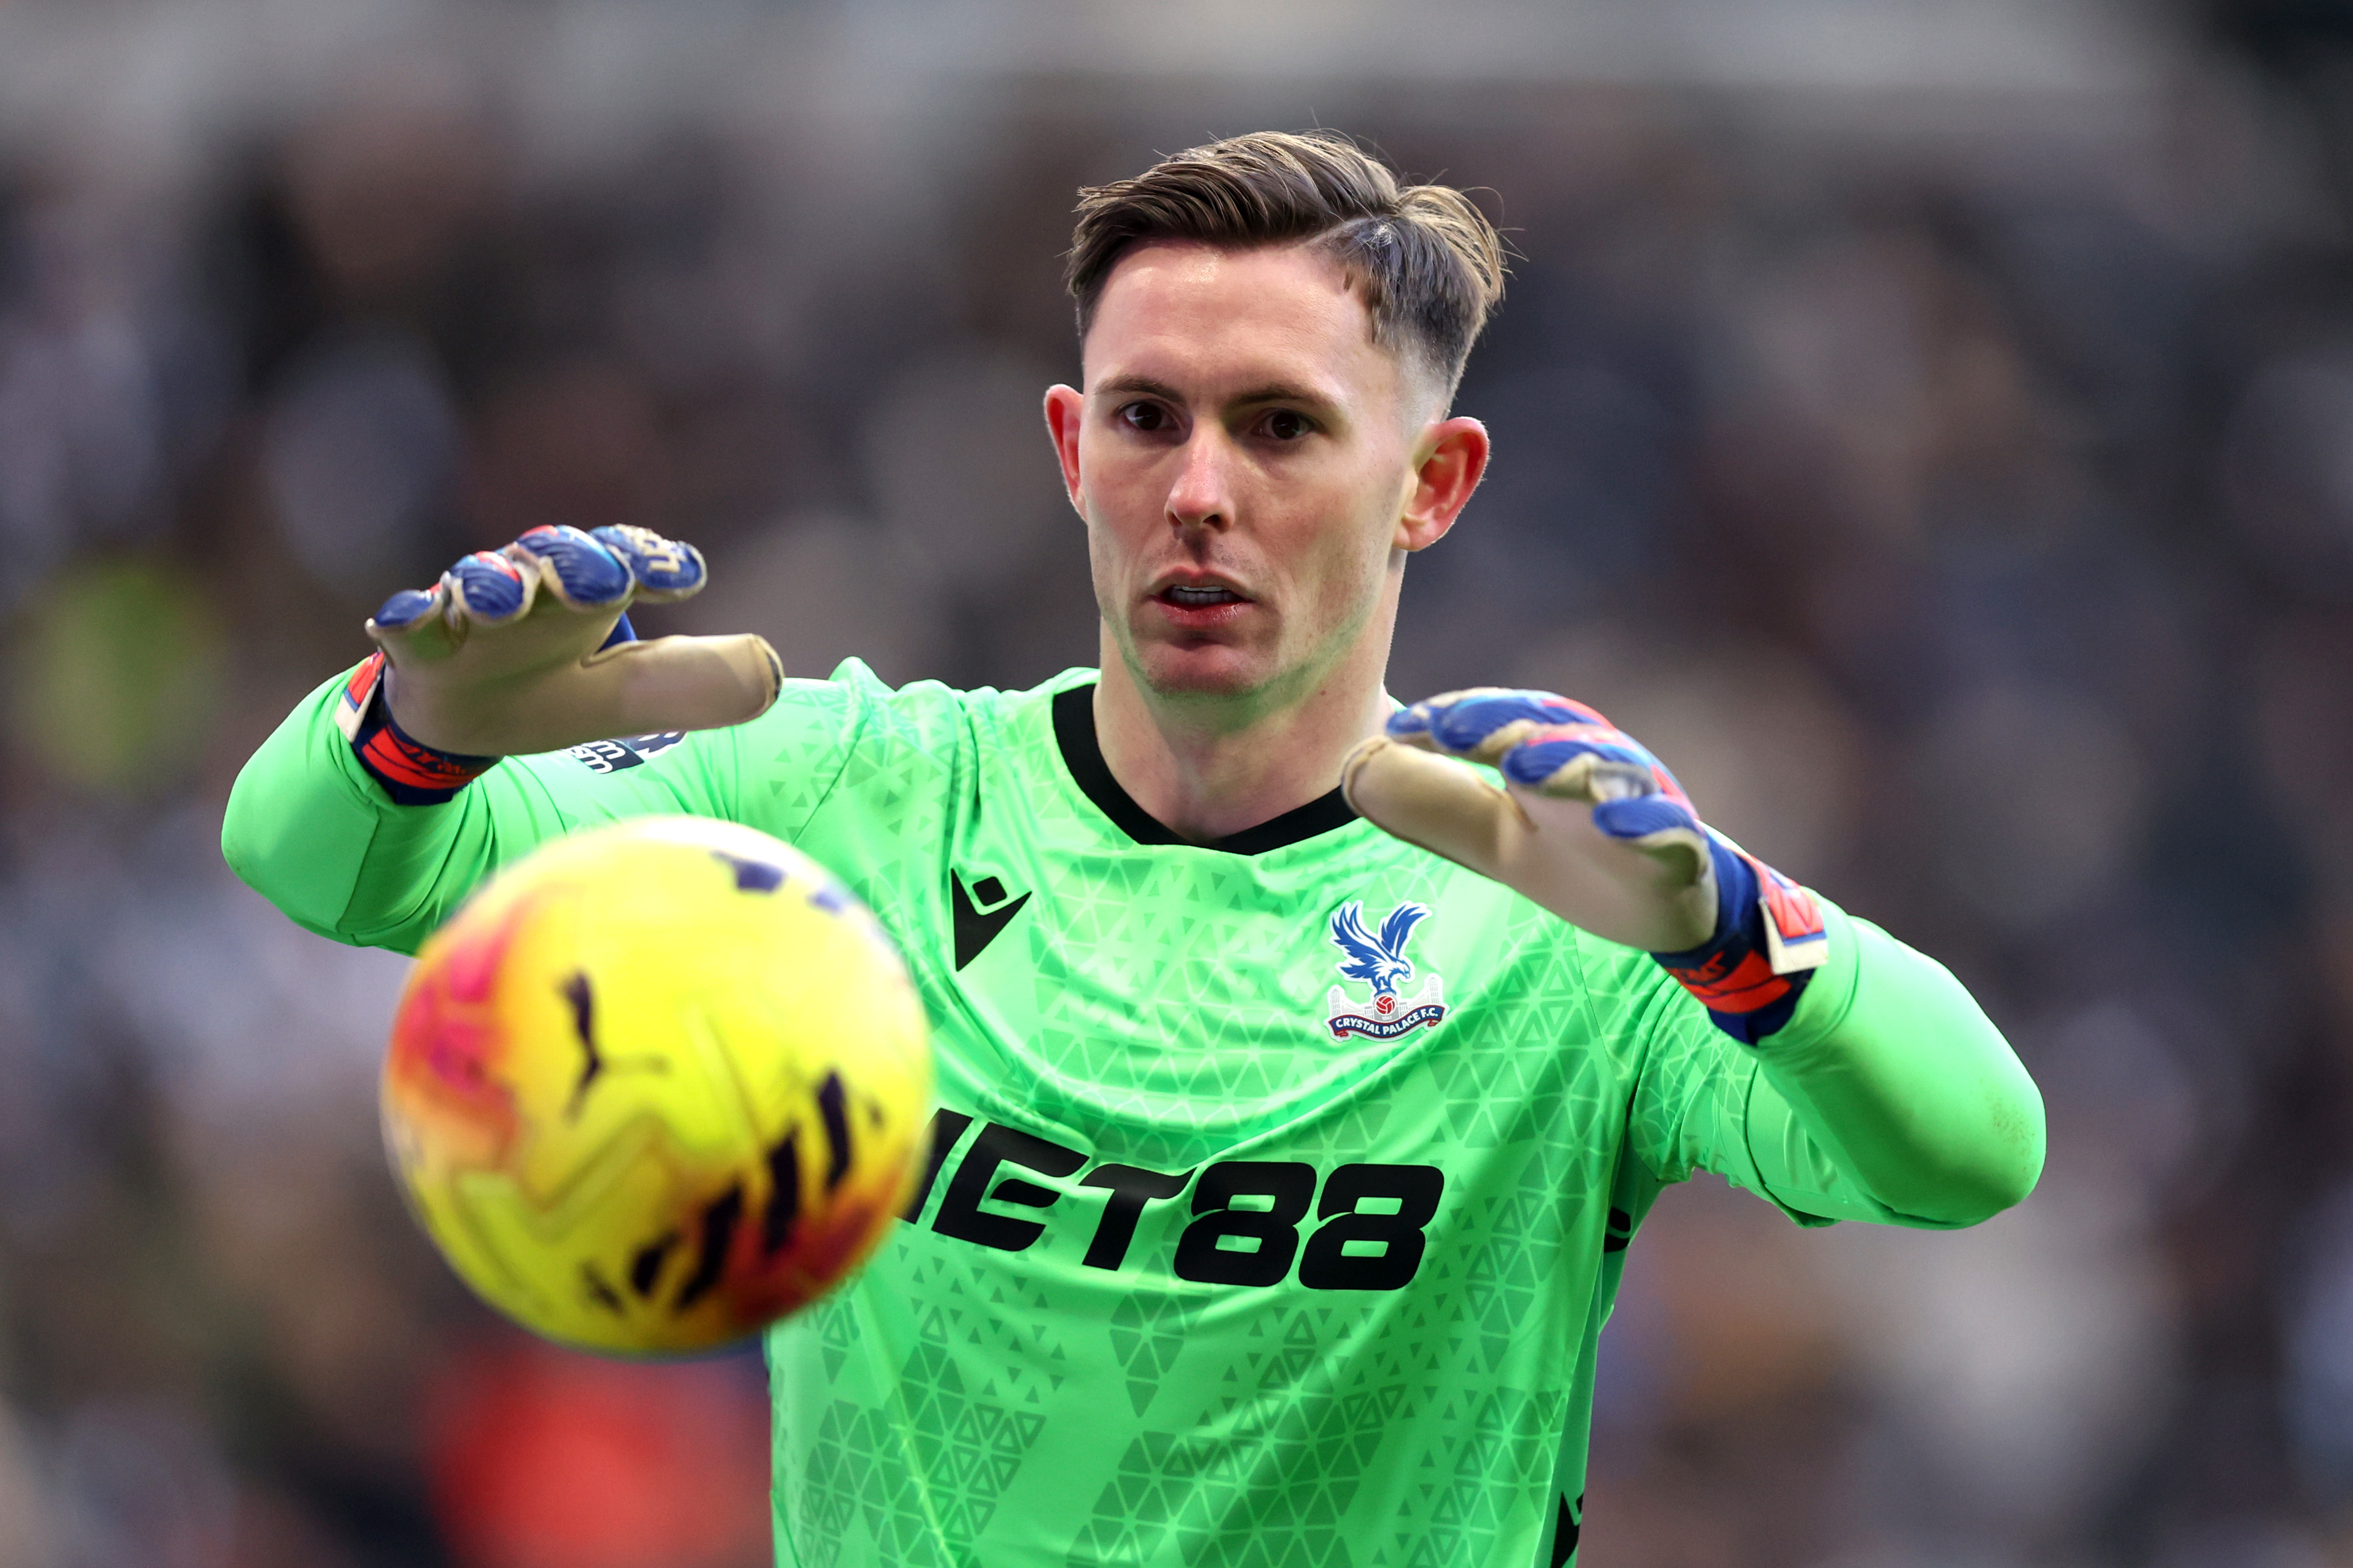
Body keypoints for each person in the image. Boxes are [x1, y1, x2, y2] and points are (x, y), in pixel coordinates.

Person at [224, 131, 2043, 1567]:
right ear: (1067, 447)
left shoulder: (1553, 896)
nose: (1197, 489)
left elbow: (1969, 1152)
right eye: (1147, 418)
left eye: (1280, 429)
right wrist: (416, 727)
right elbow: (317, 860)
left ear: (1432, 481)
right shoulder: (856, 793)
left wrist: (1727, 929)